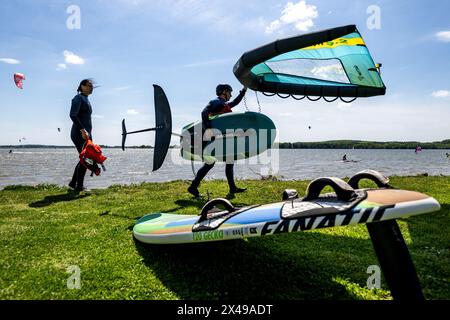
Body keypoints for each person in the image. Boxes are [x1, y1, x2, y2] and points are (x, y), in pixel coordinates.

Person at [187, 84, 247, 198]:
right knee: (210, 163)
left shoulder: (223, 104)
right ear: (224, 91)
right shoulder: (217, 102)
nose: (231, 94)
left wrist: (244, 90)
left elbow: (235, 102)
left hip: (219, 138)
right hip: (211, 137)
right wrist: (209, 129)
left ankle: (232, 188)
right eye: (230, 92)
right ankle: (193, 187)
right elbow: (204, 112)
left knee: (228, 160)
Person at [69, 79, 94, 192]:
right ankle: (79, 186)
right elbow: (73, 115)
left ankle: (74, 183)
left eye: (92, 86)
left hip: (87, 134)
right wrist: (83, 130)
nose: (91, 87)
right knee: (86, 158)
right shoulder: (78, 98)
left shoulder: (86, 99)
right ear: (82, 86)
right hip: (79, 133)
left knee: (84, 158)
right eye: (89, 86)